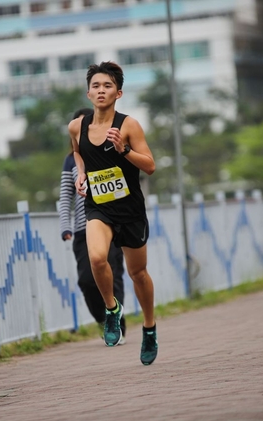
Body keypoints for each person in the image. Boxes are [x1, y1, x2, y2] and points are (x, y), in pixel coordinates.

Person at [68, 61, 158, 365]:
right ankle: (111, 308)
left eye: (107, 86)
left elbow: (150, 166)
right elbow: (78, 152)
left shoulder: (129, 125)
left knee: (138, 274)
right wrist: (81, 174)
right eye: (95, 86)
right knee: (96, 258)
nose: (101, 90)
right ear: (88, 93)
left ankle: (149, 327)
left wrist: (123, 150)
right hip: (99, 207)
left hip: (130, 210)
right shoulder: (76, 127)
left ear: (118, 93)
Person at [59, 108, 127, 343]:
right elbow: (65, 196)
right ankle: (104, 319)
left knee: (113, 275)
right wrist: (65, 226)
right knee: (87, 281)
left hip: (111, 224)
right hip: (82, 229)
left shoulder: (108, 150)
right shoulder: (70, 160)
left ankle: (118, 325)